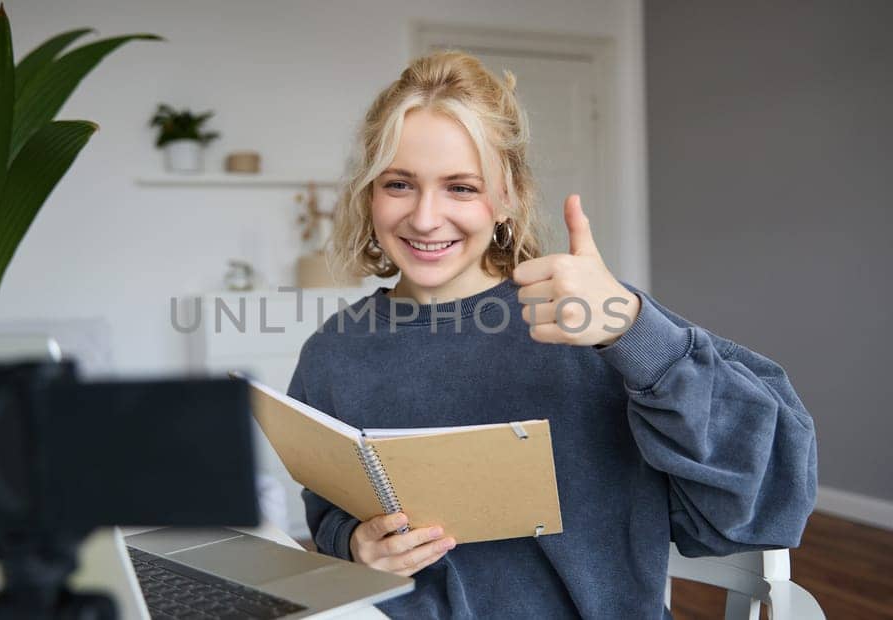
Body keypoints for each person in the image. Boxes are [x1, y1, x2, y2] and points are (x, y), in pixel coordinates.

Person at [289, 50, 818, 618]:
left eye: (461, 187)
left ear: (509, 196)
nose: (423, 217)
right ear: (370, 194)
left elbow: (769, 497)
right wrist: (354, 543)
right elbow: (331, 508)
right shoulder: (335, 351)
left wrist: (632, 331)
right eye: (399, 184)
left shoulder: (592, 321)